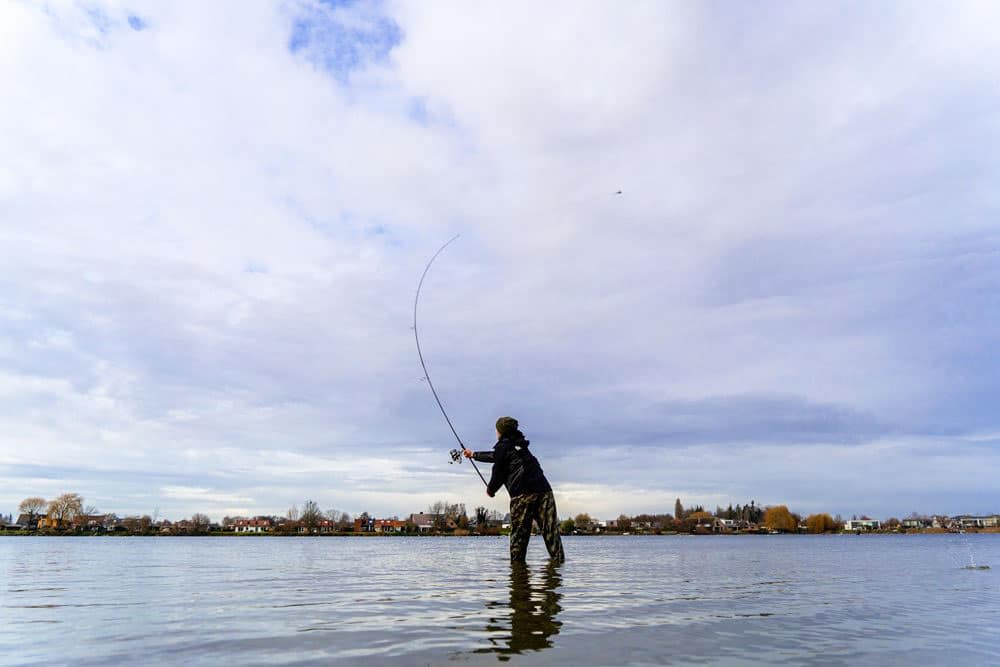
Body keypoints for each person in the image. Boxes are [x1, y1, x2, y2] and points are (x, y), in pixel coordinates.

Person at [464, 416, 565, 562]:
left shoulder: (503, 448)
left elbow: (498, 471)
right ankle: (558, 568)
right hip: (545, 492)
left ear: (500, 431)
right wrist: (474, 455)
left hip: (522, 495)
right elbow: (498, 456)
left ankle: (518, 576)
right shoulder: (521, 446)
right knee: (551, 533)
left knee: (519, 538)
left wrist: (491, 490)